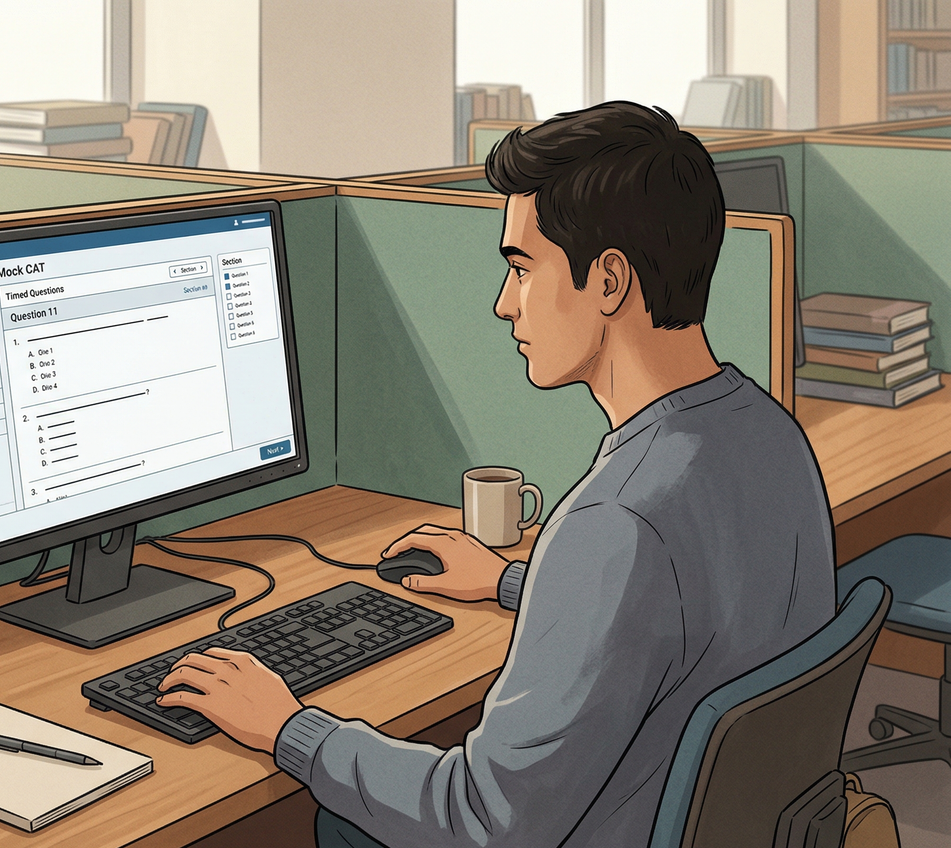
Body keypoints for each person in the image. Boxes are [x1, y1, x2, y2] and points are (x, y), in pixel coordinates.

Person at [158, 101, 837, 847]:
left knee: (324, 819)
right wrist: (519, 583)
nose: (503, 303)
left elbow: (483, 821)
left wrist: (290, 726)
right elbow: (687, 617)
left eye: (521, 268)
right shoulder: (768, 433)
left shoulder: (616, 525)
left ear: (609, 280)